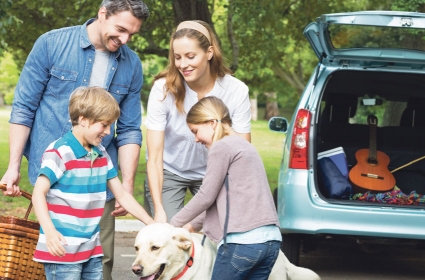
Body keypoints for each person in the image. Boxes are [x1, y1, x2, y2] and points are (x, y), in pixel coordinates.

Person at [0, 1, 150, 278]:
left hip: (99, 178)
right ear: (102, 14)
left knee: (99, 262)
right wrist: (12, 167)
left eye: (133, 34)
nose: (125, 40)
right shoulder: (51, 44)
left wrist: (126, 186)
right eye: (120, 29)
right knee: (56, 260)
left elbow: (129, 129)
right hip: (56, 176)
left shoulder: (132, 64)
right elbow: (24, 108)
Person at [32, 87, 154, 279]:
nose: (107, 132)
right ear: (83, 119)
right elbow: (38, 193)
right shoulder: (59, 152)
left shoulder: (101, 154)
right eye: (104, 125)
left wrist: (150, 223)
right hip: (63, 250)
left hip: (91, 249)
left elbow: (121, 195)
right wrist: (49, 231)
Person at [144, 20, 251, 223]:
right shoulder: (162, 89)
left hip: (213, 172)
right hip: (169, 170)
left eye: (190, 56)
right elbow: (155, 157)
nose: (183, 64)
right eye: (177, 58)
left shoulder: (236, 90)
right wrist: (158, 210)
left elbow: (242, 152)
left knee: (217, 229)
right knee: (171, 233)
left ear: (209, 53)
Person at [170, 96, 281, 280]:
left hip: (242, 242)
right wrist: (190, 226)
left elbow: (206, 195)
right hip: (271, 242)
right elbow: (220, 201)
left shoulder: (222, 147)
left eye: (196, 131)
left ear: (212, 123)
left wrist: (172, 224)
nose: (196, 139)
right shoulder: (244, 146)